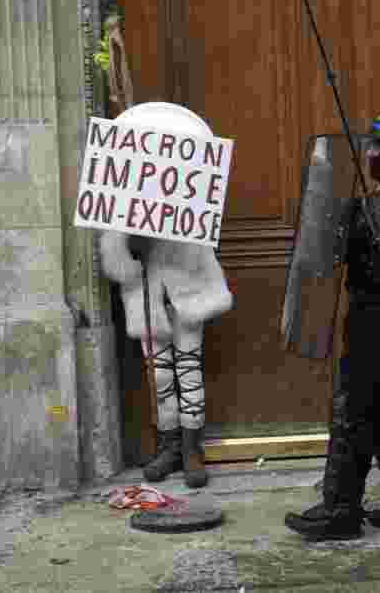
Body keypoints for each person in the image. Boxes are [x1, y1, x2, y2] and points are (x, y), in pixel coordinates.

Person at [283, 114, 380, 541]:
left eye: (378, 148)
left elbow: (332, 251)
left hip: (379, 319)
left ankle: (340, 507)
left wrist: (347, 208)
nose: (369, 154)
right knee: (374, 406)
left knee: (353, 407)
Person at [99, 102, 235, 490]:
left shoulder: (190, 200)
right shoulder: (119, 209)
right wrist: (131, 243)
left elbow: (200, 250)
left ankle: (193, 446)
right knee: (160, 375)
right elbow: (116, 264)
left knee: (188, 369)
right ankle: (170, 445)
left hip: (187, 297)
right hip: (147, 301)